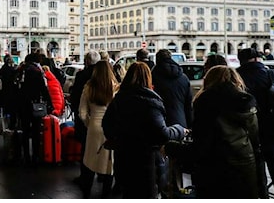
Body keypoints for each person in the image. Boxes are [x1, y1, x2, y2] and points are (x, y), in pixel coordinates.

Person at [102, 62, 188, 198]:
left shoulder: (119, 99)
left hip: (124, 160)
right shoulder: (151, 102)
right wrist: (179, 130)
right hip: (147, 164)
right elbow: (162, 134)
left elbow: (107, 126)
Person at [192, 65, 265, 198]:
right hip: (245, 168)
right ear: (236, 81)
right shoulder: (246, 103)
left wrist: (172, 147)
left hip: (214, 170)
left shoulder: (205, 103)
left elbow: (201, 145)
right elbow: (256, 144)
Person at [237, 47, 274, 198]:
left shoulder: (236, 77)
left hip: (248, 134)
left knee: (256, 176)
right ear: (258, 59)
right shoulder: (273, 75)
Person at [151, 49, 193, 196]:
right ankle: (177, 191)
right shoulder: (183, 78)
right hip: (180, 123)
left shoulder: (153, 76)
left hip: (159, 123)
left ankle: (162, 191)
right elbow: (189, 105)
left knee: (159, 162)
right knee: (177, 161)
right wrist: (188, 126)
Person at [78, 60, 119, 198]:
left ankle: (86, 194)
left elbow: (82, 113)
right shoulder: (114, 87)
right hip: (111, 128)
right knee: (108, 164)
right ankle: (106, 196)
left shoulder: (89, 87)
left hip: (94, 127)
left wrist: (89, 124)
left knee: (90, 160)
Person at [70, 50, 101, 184]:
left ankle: (85, 175)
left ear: (87, 61)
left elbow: (76, 96)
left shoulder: (82, 75)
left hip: (86, 116)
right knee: (101, 147)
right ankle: (101, 174)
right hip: (101, 118)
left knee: (85, 147)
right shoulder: (103, 75)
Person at [17, 52, 52, 166]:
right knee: (36, 130)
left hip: (22, 104)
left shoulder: (20, 70)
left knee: (25, 130)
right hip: (35, 104)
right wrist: (50, 103)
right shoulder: (37, 72)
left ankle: (26, 154)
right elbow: (43, 89)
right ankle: (36, 155)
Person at [0, 55, 19, 129]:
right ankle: (12, 123)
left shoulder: (3, 68)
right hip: (13, 90)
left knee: (6, 107)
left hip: (5, 90)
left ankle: (6, 121)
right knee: (12, 108)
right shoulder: (14, 68)